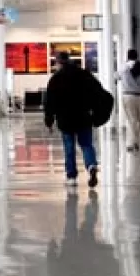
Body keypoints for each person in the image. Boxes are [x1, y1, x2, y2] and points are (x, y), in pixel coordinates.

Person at [44, 51, 103, 188]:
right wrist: (96, 112)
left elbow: (49, 102)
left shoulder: (56, 78)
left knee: (69, 147)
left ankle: (71, 176)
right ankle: (91, 165)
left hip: (65, 119)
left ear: (58, 62)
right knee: (86, 145)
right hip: (84, 117)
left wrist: (49, 120)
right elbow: (97, 92)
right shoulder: (84, 74)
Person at [118, 49, 140, 152]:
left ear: (127, 56)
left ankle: (132, 143)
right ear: (137, 56)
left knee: (131, 120)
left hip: (128, 96)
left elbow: (116, 77)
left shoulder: (123, 68)